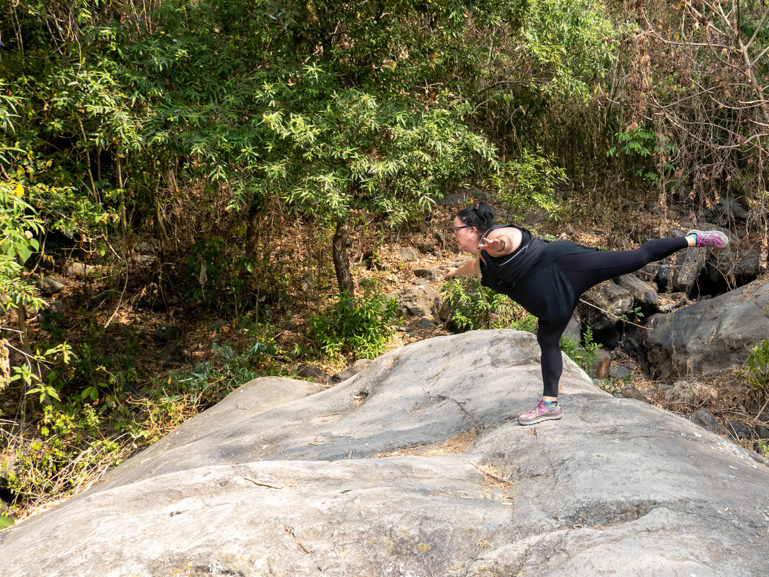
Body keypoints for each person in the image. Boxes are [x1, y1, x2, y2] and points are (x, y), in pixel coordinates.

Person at [446, 201, 729, 425]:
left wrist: (499, 246)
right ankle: (550, 404)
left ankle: (692, 239)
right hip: (553, 299)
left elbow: (507, 241)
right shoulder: (482, 257)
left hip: (565, 266)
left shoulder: (495, 238)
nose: (453, 236)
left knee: (637, 258)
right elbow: (476, 266)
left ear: (472, 230)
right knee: (547, 342)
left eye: (455, 230)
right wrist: (454, 272)